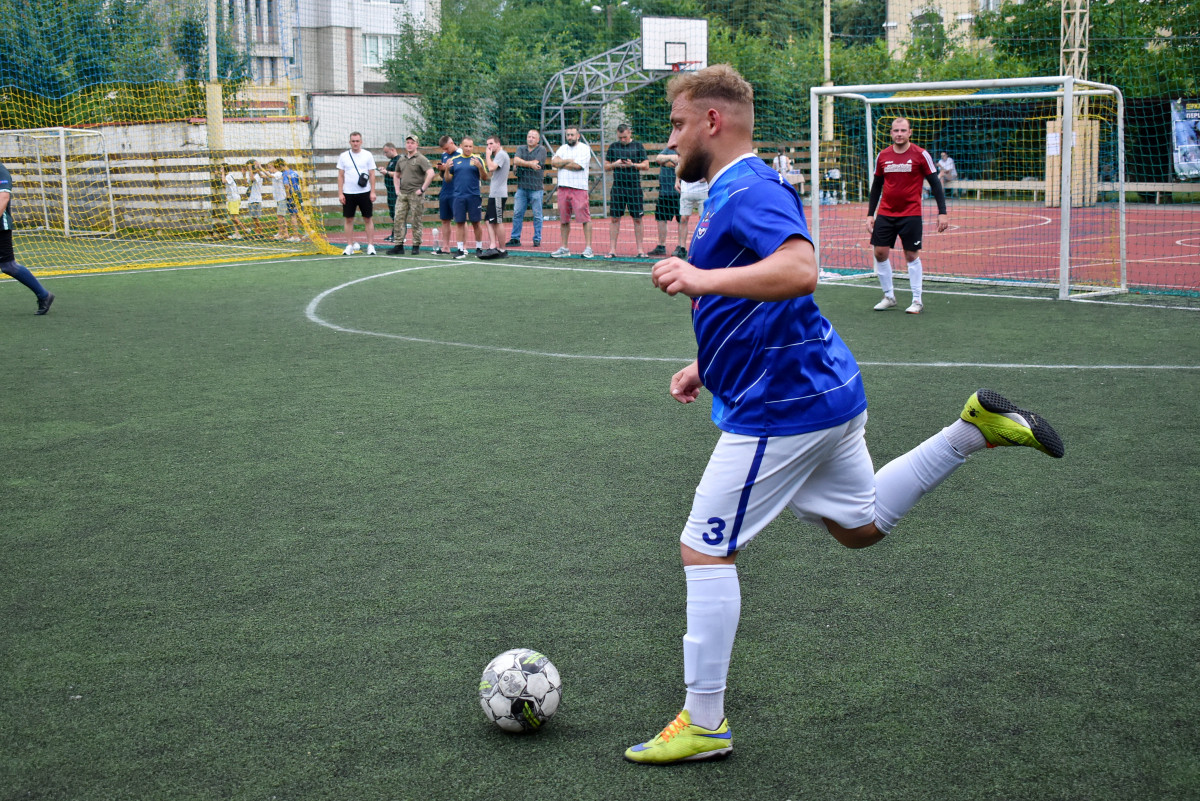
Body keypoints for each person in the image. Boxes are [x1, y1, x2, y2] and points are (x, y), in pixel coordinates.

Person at [624, 63, 1064, 766]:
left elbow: (801, 270)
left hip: (782, 406)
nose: (669, 139)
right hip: (824, 390)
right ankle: (971, 430)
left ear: (712, 121)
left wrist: (698, 275)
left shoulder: (749, 187)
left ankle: (704, 722)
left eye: (677, 124)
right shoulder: (732, 189)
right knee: (860, 526)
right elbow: (761, 302)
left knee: (704, 549)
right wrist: (707, 364)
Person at [866, 117, 948, 314]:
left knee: (911, 255)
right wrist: (870, 214)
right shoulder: (883, 156)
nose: (899, 134)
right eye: (896, 130)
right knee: (879, 253)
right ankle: (889, 296)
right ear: (891, 133)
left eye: (903, 130)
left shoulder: (921, 154)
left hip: (911, 213)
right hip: (885, 213)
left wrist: (942, 212)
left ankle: (917, 300)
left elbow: (935, 184)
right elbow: (876, 186)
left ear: (910, 133)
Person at [0, 162, 53, 314]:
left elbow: (3, 198)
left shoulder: (1, 171)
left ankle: (44, 295)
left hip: (1, 227)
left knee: (8, 266)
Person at [604, 123, 649, 258]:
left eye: (625, 137)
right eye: (620, 138)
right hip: (618, 187)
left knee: (638, 219)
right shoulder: (613, 147)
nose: (622, 140)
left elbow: (646, 165)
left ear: (630, 133)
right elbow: (606, 166)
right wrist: (615, 164)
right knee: (614, 218)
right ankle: (612, 250)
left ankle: (640, 250)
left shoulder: (638, 146)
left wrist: (632, 165)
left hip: (634, 187)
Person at [550, 127, 595, 259]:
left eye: (572, 135)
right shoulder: (562, 148)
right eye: (568, 135)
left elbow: (578, 166)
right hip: (563, 188)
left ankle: (588, 248)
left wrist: (561, 163)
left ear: (578, 136)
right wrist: (568, 161)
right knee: (564, 219)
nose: (569, 137)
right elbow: (553, 162)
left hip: (579, 188)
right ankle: (564, 248)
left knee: (585, 218)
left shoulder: (584, 149)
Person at [387, 135, 434, 255]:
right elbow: (396, 175)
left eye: (412, 143)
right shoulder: (401, 159)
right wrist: (397, 190)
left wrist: (422, 189)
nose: (409, 145)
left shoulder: (421, 159)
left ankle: (416, 245)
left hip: (415, 194)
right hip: (403, 194)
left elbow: (431, 173)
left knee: (416, 219)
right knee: (398, 218)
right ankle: (398, 245)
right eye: (408, 142)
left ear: (417, 144)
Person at [336, 132, 378, 256]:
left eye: (357, 141)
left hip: (365, 192)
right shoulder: (343, 156)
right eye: (353, 141)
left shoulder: (367, 155)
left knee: (368, 218)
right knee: (349, 219)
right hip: (348, 192)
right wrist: (340, 193)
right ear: (350, 142)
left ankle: (370, 245)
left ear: (361, 142)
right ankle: (349, 245)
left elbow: (372, 174)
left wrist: (373, 191)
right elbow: (340, 175)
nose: (355, 143)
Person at [447, 136, 489, 259]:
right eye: (466, 146)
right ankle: (460, 250)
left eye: (470, 146)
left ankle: (479, 248)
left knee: (476, 222)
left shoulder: (478, 159)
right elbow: (448, 179)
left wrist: (480, 167)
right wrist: (446, 170)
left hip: (474, 196)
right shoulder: (454, 160)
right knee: (459, 223)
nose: (468, 148)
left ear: (473, 147)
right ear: (461, 146)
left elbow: (485, 177)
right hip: (458, 196)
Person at [506, 129, 549, 248]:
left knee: (537, 215)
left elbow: (536, 162)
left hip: (536, 187)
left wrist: (521, 163)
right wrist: (530, 164)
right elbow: (516, 161)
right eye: (529, 136)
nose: (530, 139)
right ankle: (515, 238)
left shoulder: (541, 149)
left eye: (533, 137)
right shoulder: (521, 148)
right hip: (522, 187)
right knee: (517, 213)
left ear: (538, 140)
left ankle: (537, 239)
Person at [649, 146, 680, 257]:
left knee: (681, 219)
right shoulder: (668, 148)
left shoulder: (684, 147)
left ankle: (681, 246)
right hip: (664, 192)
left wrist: (667, 160)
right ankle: (661, 246)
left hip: (679, 192)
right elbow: (658, 158)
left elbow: (680, 159)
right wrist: (671, 159)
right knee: (661, 218)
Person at [435, 135, 463, 255]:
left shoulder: (461, 153)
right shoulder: (444, 155)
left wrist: (448, 167)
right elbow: (443, 176)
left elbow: (463, 172)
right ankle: (445, 247)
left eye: (447, 148)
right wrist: (441, 169)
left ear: (452, 143)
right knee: (445, 220)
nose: (446, 151)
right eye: (444, 149)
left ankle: (463, 247)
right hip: (445, 190)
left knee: (460, 220)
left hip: (457, 191)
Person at [676, 173, 708, 259]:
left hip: (702, 190)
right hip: (686, 190)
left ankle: (701, 247)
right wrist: (677, 180)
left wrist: (707, 176)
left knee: (703, 220)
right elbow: (680, 167)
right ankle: (682, 248)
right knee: (683, 218)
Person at [218, 164, 250, 240]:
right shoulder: (226, 176)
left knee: (234, 217)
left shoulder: (229, 176)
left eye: (221, 169)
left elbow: (223, 181)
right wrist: (219, 174)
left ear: (225, 169)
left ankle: (245, 229)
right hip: (230, 199)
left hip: (234, 199)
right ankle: (237, 233)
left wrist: (222, 173)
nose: (220, 170)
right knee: (232, 217)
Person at [378, 142, 400, 242]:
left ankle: (399, 235)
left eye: (386, 152)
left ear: (392, 150)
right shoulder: (391, 161)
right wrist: (384, 171)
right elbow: (390, 173)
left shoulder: (399, 160)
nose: (385, 154)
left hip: (396, 191)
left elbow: (399, 174)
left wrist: (386, 172)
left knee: (397, 213)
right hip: (390, 191)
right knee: (393, 213)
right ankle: (394, 234)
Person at [279, 160, 304, 242]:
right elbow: (302, 180)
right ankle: (308, 230)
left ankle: (295, 236)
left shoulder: (285, 174)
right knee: (298, 213)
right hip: (298, 193)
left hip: (291, 195)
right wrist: (301, 191)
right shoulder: (293, 172)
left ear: (280, 166)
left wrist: (288, 196)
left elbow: (286, 185)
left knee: (293, 215)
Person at [243, 160, 265, 238]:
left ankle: (260, 232)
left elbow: (252, 179)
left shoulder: (258, 175)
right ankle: (257, 231)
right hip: (251, 198)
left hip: (256, 199)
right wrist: (243, 175)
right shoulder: (252, 175)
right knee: (253, 217)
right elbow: (246, 185)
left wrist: (250, 170)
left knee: (256, 217)